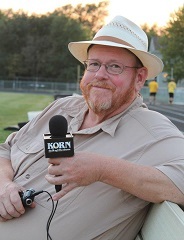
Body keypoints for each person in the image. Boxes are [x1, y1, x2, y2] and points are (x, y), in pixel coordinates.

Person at [0, 15, 184, 240]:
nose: (99, 75)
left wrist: (101, 169)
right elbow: (6, 150)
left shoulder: (152, 130)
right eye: (94, 64)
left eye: (114, 67)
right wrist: (4, 185)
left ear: (139, 78)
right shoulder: (62, 107)